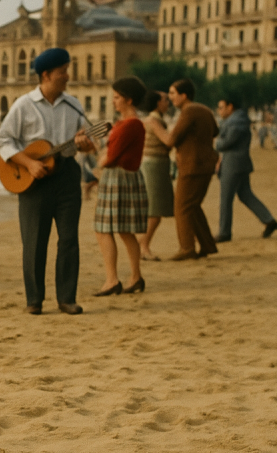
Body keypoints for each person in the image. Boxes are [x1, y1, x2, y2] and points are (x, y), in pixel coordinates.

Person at [0, 47, 96, 315]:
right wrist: (28, 163)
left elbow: (87, 144)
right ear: (46, 75)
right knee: (34, 240)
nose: (67, 76)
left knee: (68, 239)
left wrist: (85, 143)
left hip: (66, 174)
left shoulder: (74, 105)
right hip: (33, 179)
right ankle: (34, 300)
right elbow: (3, 140)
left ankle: (66, 298)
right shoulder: (23, 105)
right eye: (62, 71)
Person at [149, 79, 219, 260]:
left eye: (172, 93)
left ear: (184, 95)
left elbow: (170, 140)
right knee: (193, 206)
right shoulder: (204, 109)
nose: (170, 98)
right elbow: (215, 131)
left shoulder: (188, 112)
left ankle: (187, 247)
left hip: (192, 165)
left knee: (182, 207)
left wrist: (156, 127)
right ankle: (207, 244)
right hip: (206, 163)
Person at [93, 77, 149, 296]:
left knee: (103, 229)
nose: (113, 101)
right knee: (124, 230)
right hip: (126, 177)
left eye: (117, 97)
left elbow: (110, 157)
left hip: (118, 179)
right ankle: (135, 276)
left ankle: (112, 279)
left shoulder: (130, 124)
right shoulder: (129, 124)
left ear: (129, 99)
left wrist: (100, 159)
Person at [214, 94, 277, 241]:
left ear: (230, 107)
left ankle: (224, 232)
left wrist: (216, 143)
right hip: (241, 162)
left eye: (221, 107)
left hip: (232, 163)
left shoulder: (234, 122)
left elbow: (225, 143)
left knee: (226, 199)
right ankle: (268, 220)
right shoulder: (241, 120)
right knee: (245, 194)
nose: (219, 111)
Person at [137, 91, 175, 261]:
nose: (168, 103)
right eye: (165, 100)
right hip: (155, 165)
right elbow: (168, 141)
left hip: (154, 164)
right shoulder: (154, 120)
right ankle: (143, 247)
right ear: (157, 103)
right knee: (155, 210)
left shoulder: (152, 119)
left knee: (154, 209)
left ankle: (142, 244)